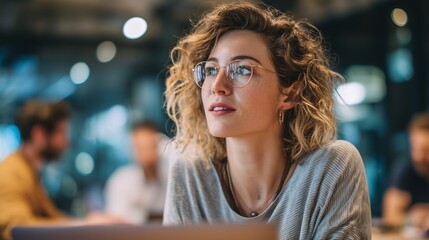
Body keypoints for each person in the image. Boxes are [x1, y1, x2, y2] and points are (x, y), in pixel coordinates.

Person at [162, 2, 371, 239]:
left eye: (241, 69)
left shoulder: (331, 168)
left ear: (290, 94)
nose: (217, 86)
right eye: (211, 70)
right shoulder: (191, 174)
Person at [0, 101, 125, 240]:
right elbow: (17, 229)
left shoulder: (27, 170)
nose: (66, 143)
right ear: (39, 134)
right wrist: (85, 224)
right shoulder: (9, 174)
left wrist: (90, 221)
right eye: (61, 133)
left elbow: (52, 218)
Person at [105, 121, 170, 224]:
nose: (145, 151)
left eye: (150, 145)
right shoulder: (120, 181)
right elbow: (117, 219)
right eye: (140, 146)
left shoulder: (171, 178)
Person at [383, 112, 429, 230]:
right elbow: (390, 216)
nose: (418, 157)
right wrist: (412, 219)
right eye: (415, 148)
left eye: (426, 150)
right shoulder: (405, 168)